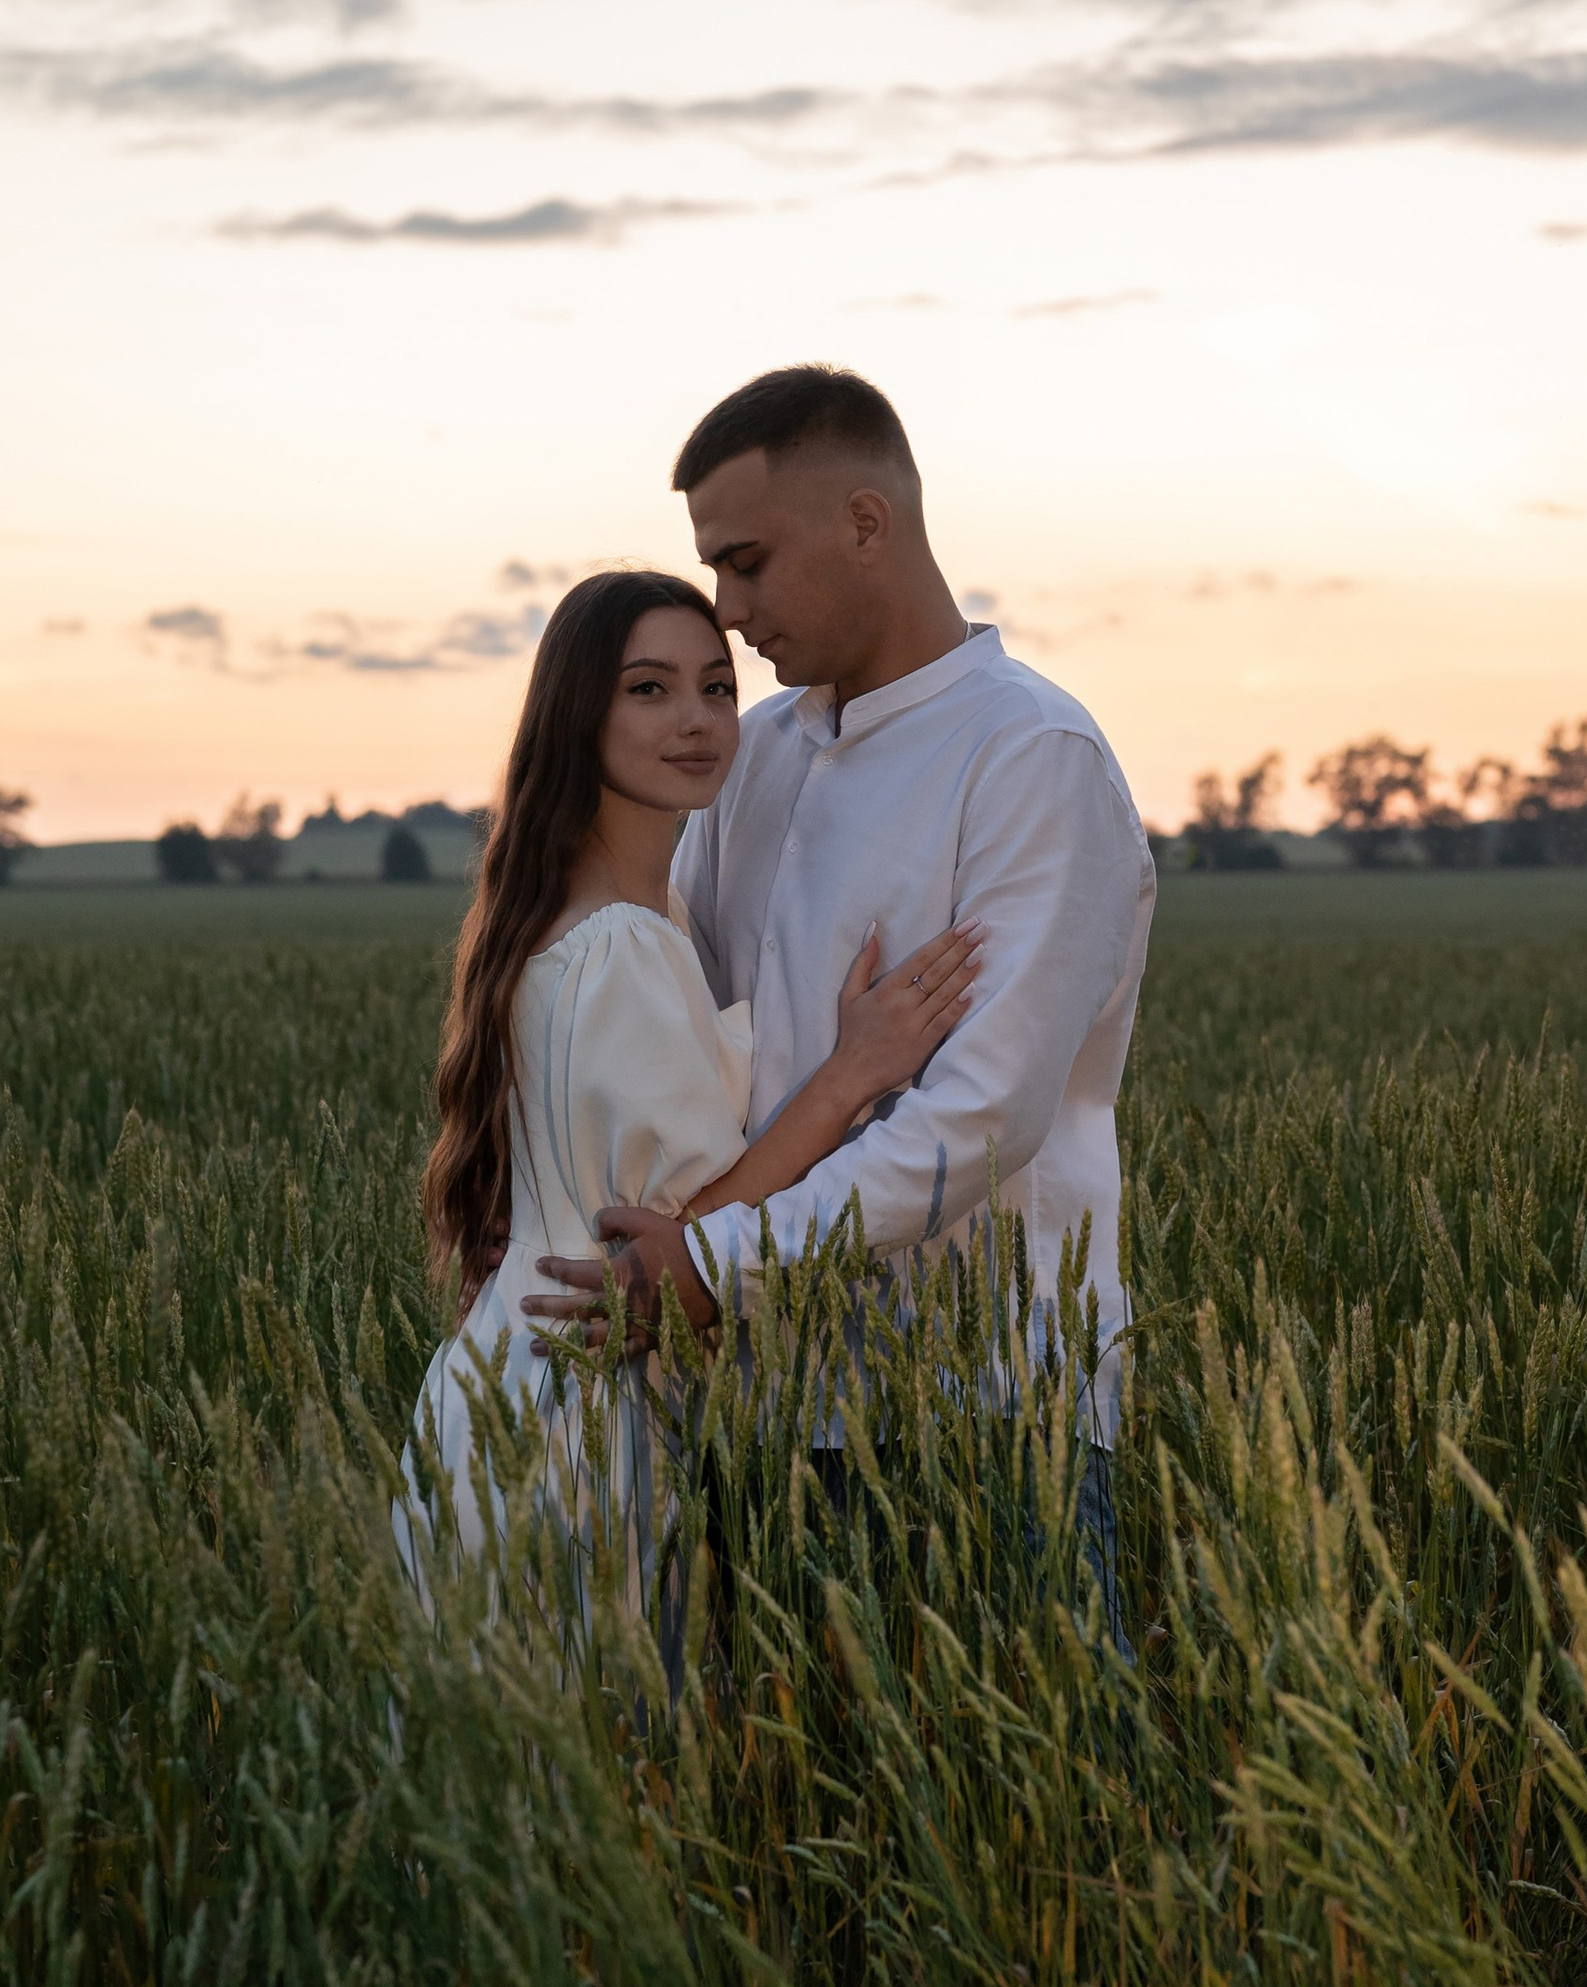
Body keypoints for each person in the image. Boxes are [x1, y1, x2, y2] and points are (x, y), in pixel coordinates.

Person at [520, 368, 1155, 1593]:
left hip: (978, 1407)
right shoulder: (750, 758)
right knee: (789, 1783)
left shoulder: (1031, 755)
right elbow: (681, 1051)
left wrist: (711, 1266)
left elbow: (985, 1113)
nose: (727, 609)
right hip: (746, 1403)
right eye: (713, 568)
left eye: (748, 561)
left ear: (867, 524)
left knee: (1026, 1781)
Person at [401, 568, 978, 1596]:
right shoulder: (624, 941)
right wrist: (853, 1072)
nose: (699, 719)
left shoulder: (584, 912)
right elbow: (692, 1231)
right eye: (648, 689)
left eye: (718, 687)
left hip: (501, 1382)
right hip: (578, 1406)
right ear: (579, 711)